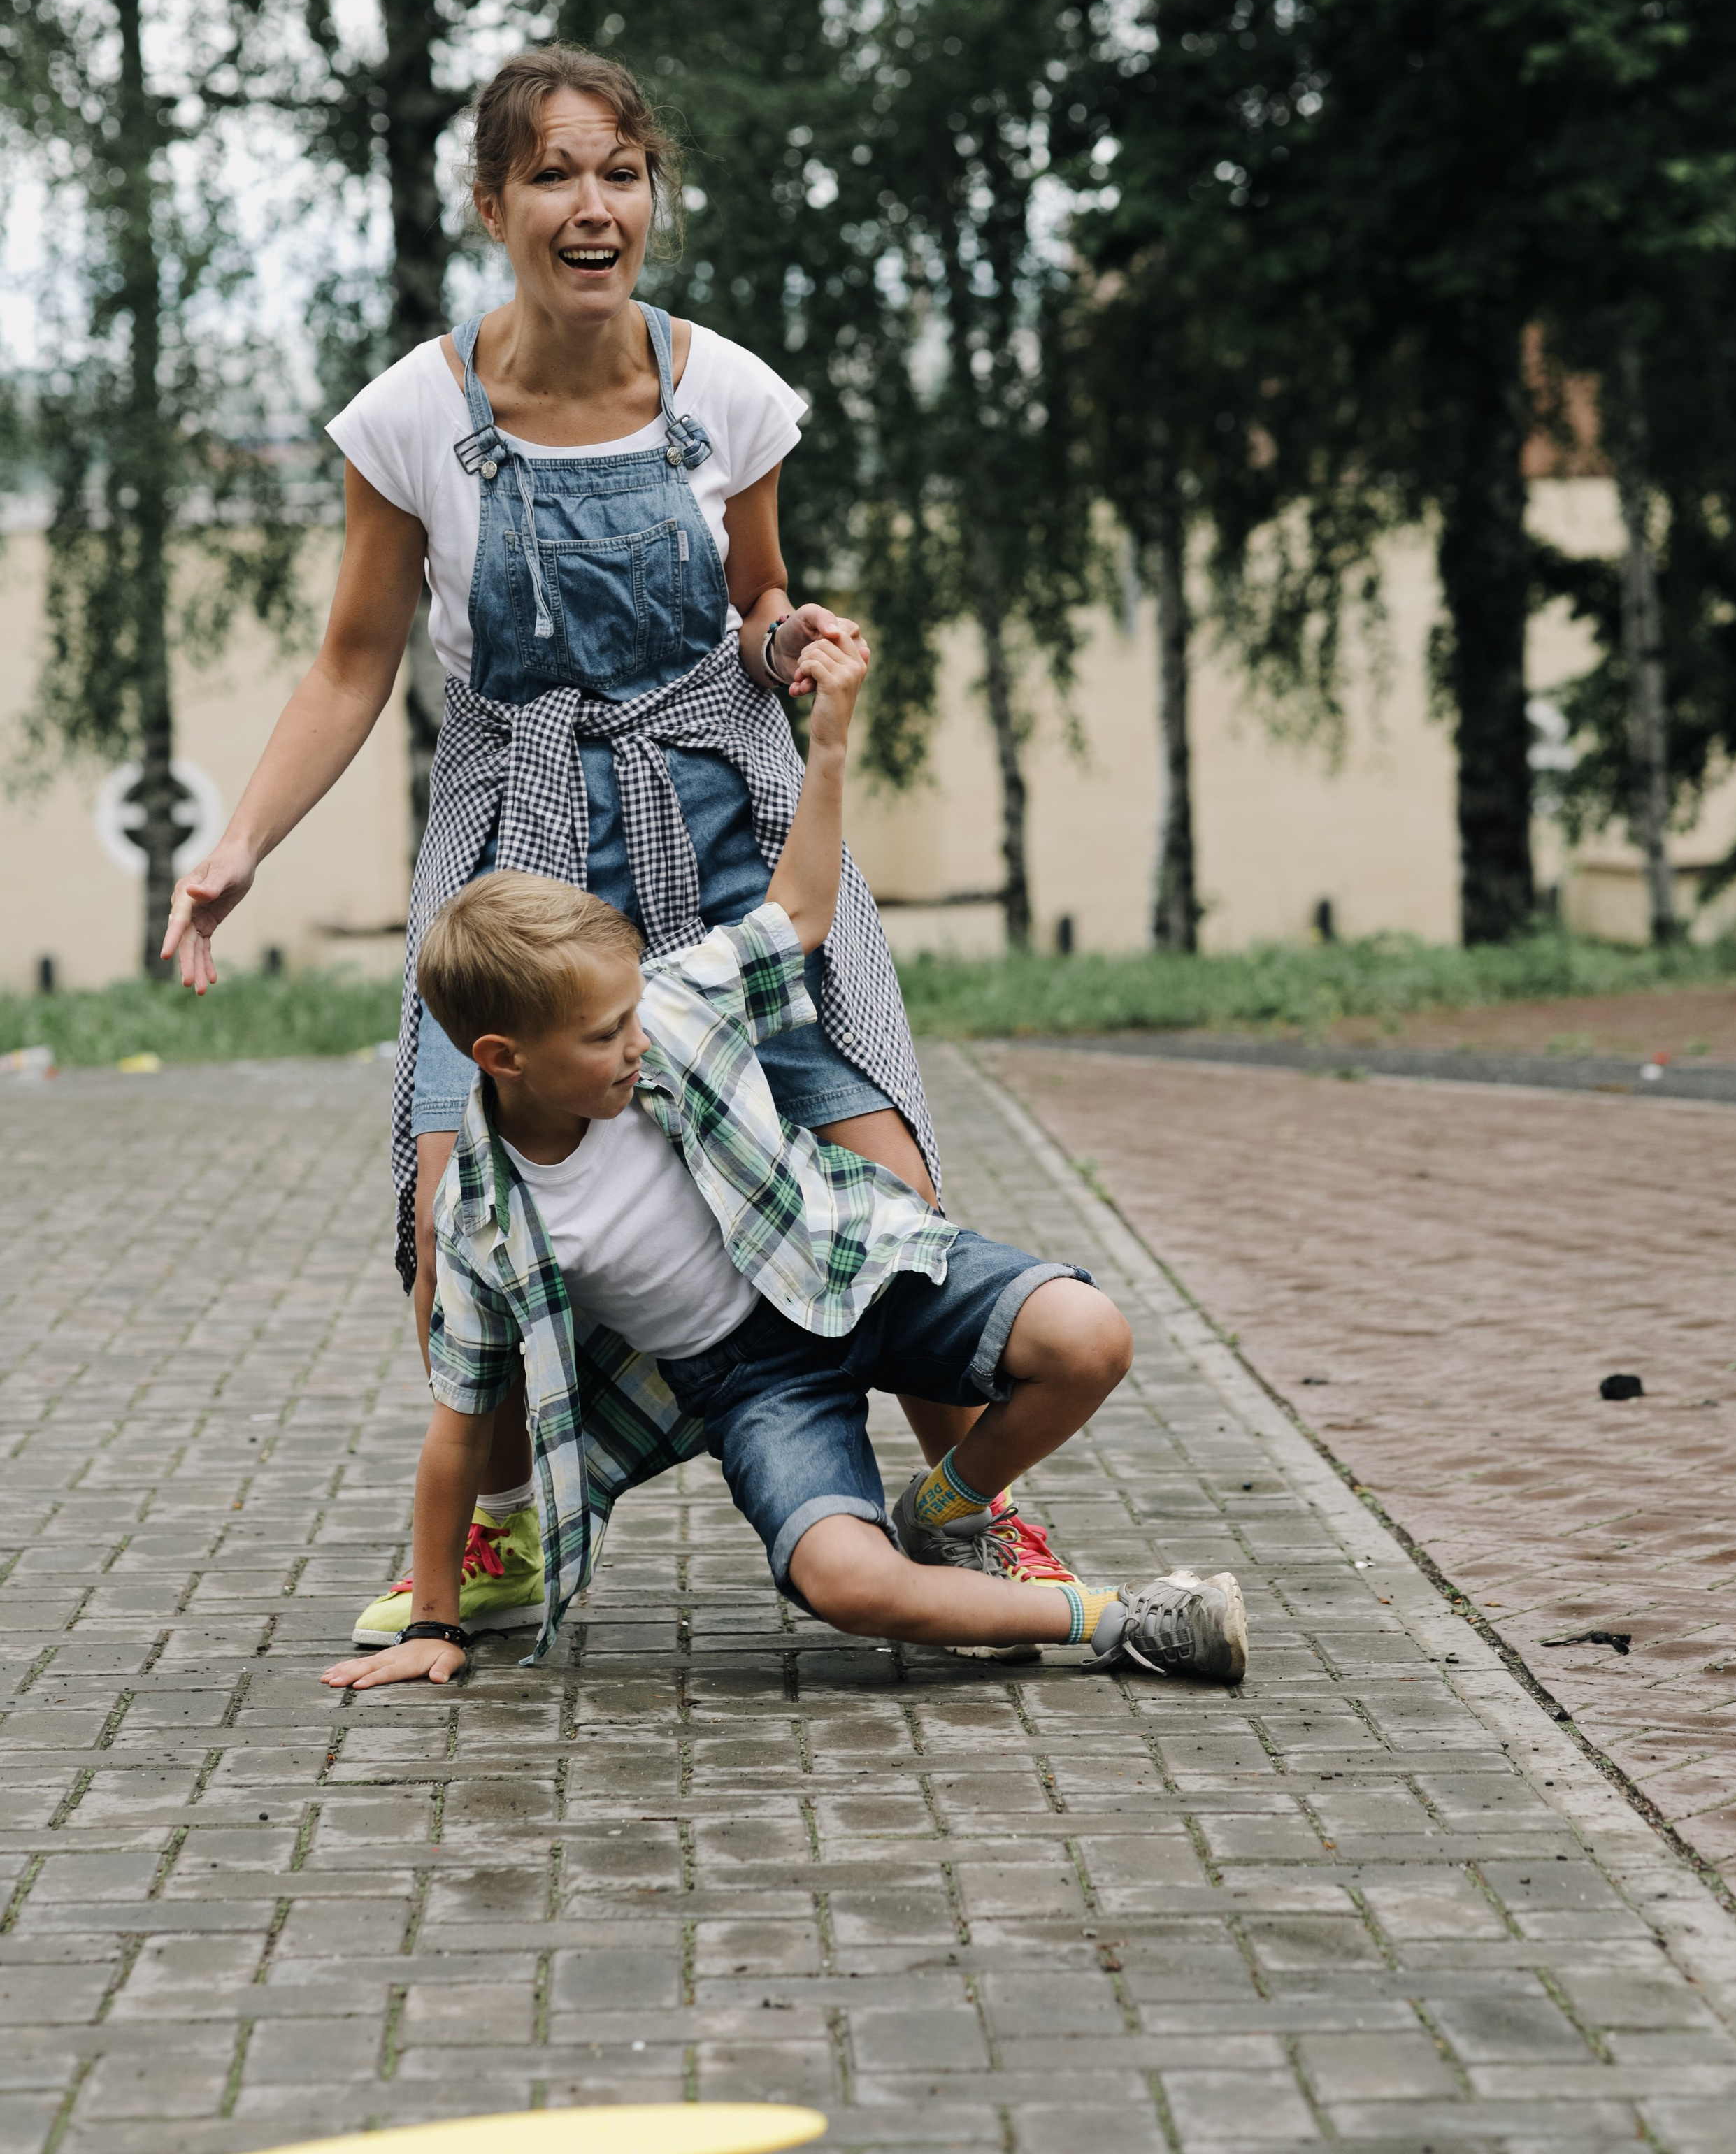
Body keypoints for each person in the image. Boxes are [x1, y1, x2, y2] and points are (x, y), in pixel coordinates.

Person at [159, 41, 1077, 1641]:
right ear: (492, 201)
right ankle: (499, 1533)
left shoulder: (722, 388)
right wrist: (236, 844)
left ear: (650, 190)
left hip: (727, 816)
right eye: (554, 176)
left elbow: (755, 594)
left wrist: (791, 643)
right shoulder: (410, 417)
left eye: (620, 173)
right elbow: (355, 660)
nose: (593, 207)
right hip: (515, 838)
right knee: (453, 1205)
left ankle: (977, 1517)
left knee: (874, 1159)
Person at [321, 624, 1249, 1690]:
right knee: (847, 1586)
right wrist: (433, 1627)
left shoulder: (666, 1008)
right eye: (601, 1037)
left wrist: (832, 741)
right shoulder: (484, 1218)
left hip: (854, 1264)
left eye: (631, 1016)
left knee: (1090, 1337)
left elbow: (800, 913)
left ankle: (943, 1510)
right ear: (504, 1058)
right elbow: (457, 1429)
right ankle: (1125, 1620)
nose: (634, 1043)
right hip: (752, 1382)